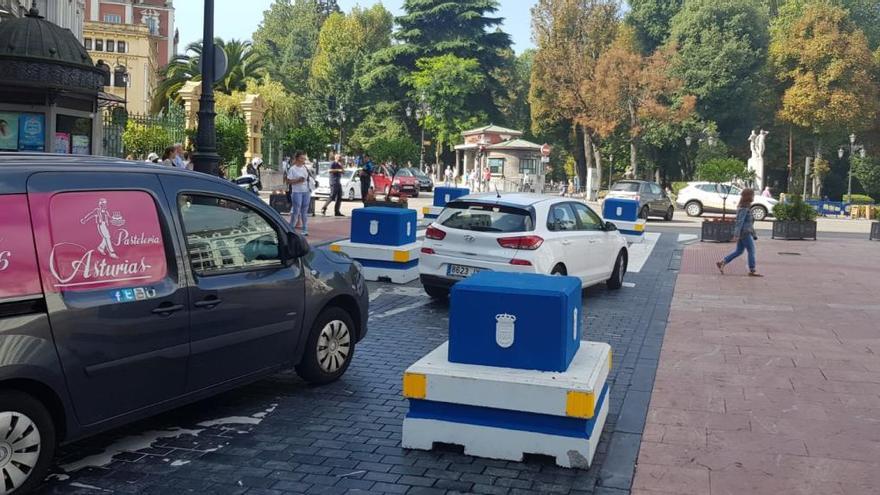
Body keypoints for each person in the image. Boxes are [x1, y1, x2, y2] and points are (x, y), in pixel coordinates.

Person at [717, 188, 762, 277]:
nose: (754, 196)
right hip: (744, 233)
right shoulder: (744, 208)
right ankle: (752, 270)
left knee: (739, 251)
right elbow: (739, 222)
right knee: (751, 250)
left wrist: (754, 234)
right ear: (748, 196)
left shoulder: (746, 206)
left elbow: (748, 223)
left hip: (744, 232)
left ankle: (722, 262)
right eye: (752, 195)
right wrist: (736, 235)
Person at [286, 151, 312, 236]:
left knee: (304, 211)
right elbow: (288, 181)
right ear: (297, 158)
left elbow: (307, 179)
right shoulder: (292, 169)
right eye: (301, 158)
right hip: (297, 192)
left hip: (306, 191)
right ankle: (291, 228)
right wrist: (298, 180)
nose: (303, 160)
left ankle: (305, 229)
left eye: (304, 158)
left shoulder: (305, 167)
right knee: (296, 211)